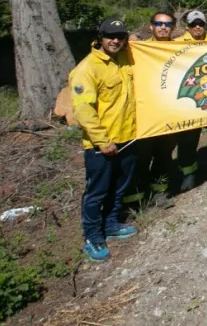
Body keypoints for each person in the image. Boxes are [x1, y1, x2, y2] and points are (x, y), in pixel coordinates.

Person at [70, 18, 139, 262]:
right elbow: (83, 110)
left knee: (118, 188)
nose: (115, 41)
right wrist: (102, 140)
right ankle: (92, 237)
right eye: (110, 36)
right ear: (100, 37)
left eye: (120, 37)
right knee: (96, 192)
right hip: (102, 144)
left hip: (128, 137)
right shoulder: (87, 68)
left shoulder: (126, 58)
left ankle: (111, 224)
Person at [131, 11, 177, 208]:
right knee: (141, 156)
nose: (163, 27)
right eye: (159, 24)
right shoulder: (137, 48)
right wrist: (130, 39)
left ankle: (160, 193)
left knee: (164, 155)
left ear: (173, 28)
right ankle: (137, 197)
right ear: (151, 26)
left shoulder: (180, 49)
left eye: (167, 24)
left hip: (170, 113)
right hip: (145, 113)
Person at [173, 10, 207, 192]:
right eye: (193, 24)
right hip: (189, 99)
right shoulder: (175, 44)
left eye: (200, 24)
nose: (197, 27)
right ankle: (188, 173)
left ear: (205, 25)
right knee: (188, 138)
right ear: (187, 27)